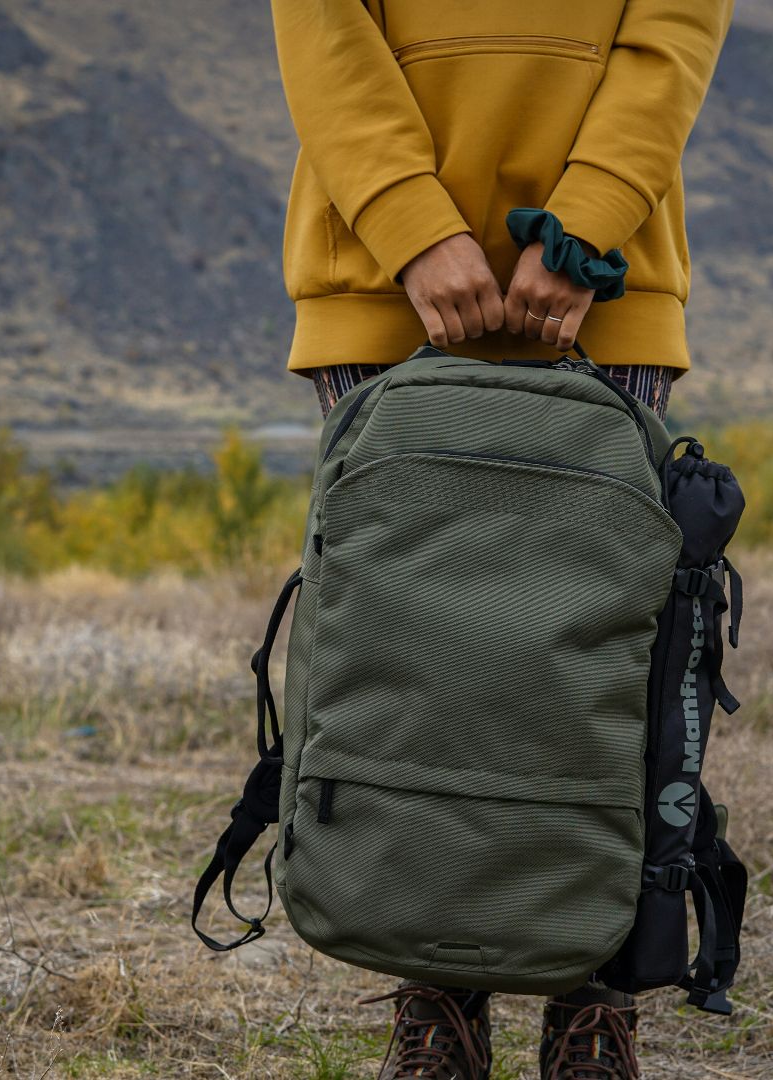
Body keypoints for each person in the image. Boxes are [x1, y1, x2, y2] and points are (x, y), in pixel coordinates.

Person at [269, 1, 732, 1076]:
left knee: (599, 659)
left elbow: (673, 32)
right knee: (420, 663)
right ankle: (435, 993)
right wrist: (411, 227)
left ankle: (596, 998)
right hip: (383, 278)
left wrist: (587, 230)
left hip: (602, 282)